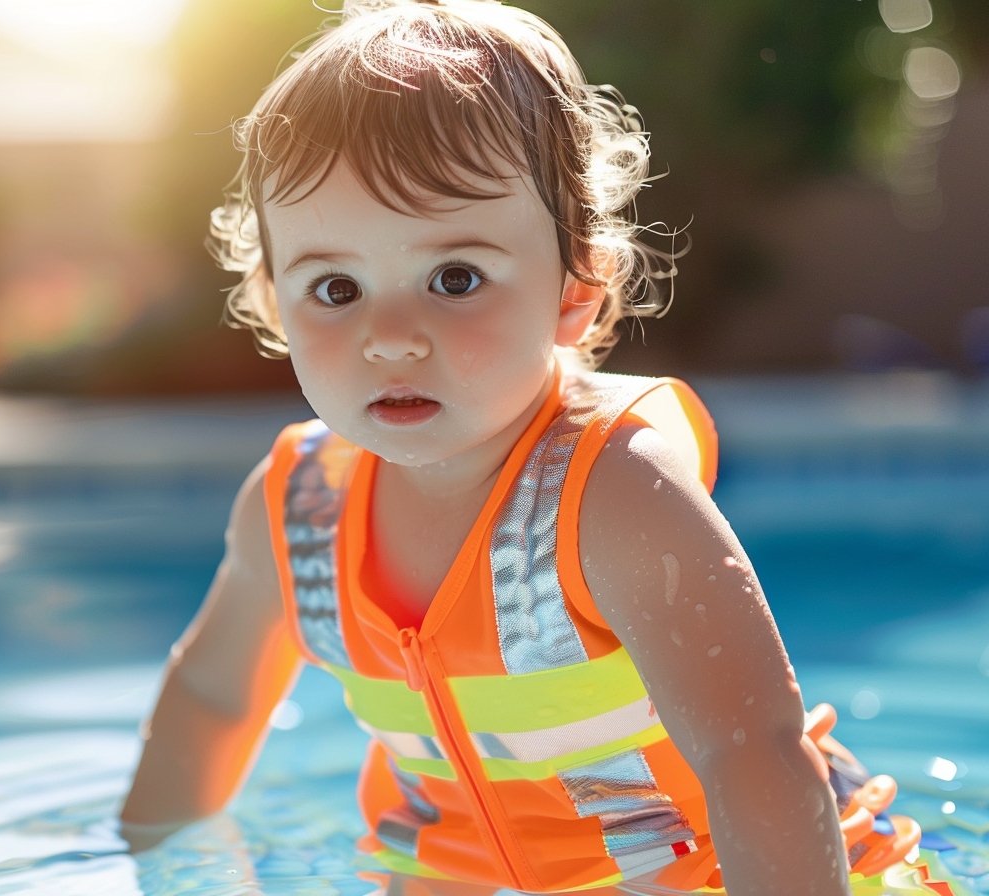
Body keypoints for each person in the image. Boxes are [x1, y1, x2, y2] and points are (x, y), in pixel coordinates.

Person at [119, 2, 948, 893]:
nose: (390, 336)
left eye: (455, 278)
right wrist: (158, 865)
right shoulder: (295, 510)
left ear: (575, 289)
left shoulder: (615, 499)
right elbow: (212, 697)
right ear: (276, 306)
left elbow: (753, 755)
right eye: (335, 286)